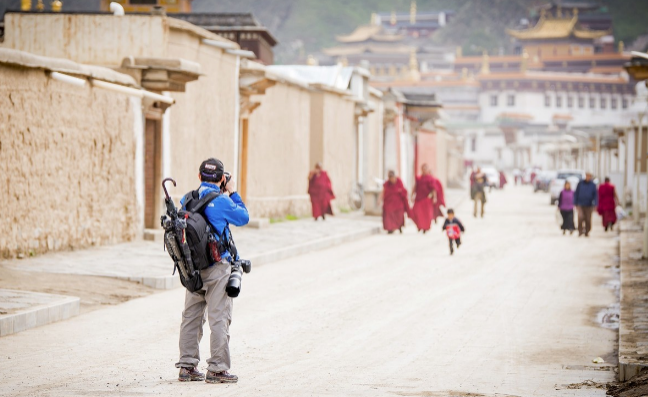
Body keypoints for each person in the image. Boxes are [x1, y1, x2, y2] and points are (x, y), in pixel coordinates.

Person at [176, 158, 249, 384]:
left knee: (191, 317)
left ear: (199, 177)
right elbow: (243, 217)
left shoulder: (187, 199)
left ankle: (187, 366)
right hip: (217, 268)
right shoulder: (222, 201)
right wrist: (233, 191)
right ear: (221, 180)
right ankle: (217, 369)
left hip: (193, 268)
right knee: (219, 318)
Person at [411, 164, 437, 233]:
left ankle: (425, 228)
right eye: (423, 169)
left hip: (426, 199)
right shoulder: (419, 178)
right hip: (418, 198)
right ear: (421, 169)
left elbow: (433, 189)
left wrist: (434, 197)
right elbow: (415, 187)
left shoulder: (430, 178)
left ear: (427, 170)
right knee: (415, 212)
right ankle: (419, 226)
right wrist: (412, 195)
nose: (424, 170)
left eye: (426, 169)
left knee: (426, 215)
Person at [574, 172, 598, 237]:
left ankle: (587, 231)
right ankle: (580, 231)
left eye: (589, 176)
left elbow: (595, 195)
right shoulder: (580, 183)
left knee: (588, 219)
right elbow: (576, 192)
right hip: (580, 203)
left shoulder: (593, 185)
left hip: (589, 204)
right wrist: (575, 202)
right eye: (587, 175)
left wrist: (596, 204)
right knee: (580, 217)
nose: (588, 177)